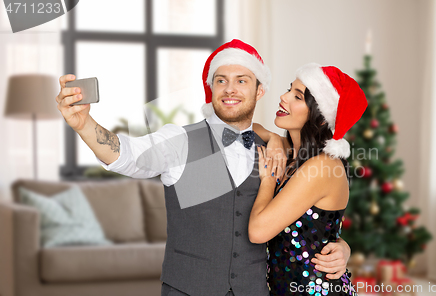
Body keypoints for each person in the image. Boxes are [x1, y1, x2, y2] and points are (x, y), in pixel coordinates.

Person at [55, 40, 352, 296]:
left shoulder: (284, 155)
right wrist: (84, 126)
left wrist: (341, 246)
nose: (230, 89)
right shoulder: (181, 141)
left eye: (242, 80)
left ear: (259, 91)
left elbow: (316, 219)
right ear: (210, 88)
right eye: (221, 80)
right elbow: (130, 155)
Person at [249, 63, 368, 295]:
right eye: (288, 90)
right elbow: (247, 128)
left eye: (297, 96)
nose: (283, 97)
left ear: (321, 118)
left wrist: (269, 177)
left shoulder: (323, 165)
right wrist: (273, 138)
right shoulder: (293, 155)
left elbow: (258, 231)